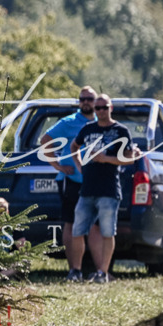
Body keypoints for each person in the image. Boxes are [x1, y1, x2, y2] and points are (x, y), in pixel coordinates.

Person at [69, 94, 142, 283]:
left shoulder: (120, 131)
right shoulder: (88, 128)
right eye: (97, 108)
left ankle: (103, 272)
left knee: (108, 232)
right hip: (87, 188)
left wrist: (106, 159)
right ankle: (75, 270)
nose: (101, 111)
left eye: (104, 107)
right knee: (77, 230)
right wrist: (79, 166)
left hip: (109, 189)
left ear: (111, 108)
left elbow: (130, 158)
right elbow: (74, 146)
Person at [38, 86, 105, 282]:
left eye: (90, 99)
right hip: (72, 181)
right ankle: (74, 270)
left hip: (96, 181)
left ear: (96, 102)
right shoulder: (69, 122)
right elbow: (45, 140)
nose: (86, 102)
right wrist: (57, 165)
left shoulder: (102, 122)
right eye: (82, 99)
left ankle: (101, 271)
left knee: (95, 226)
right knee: (73, 223)